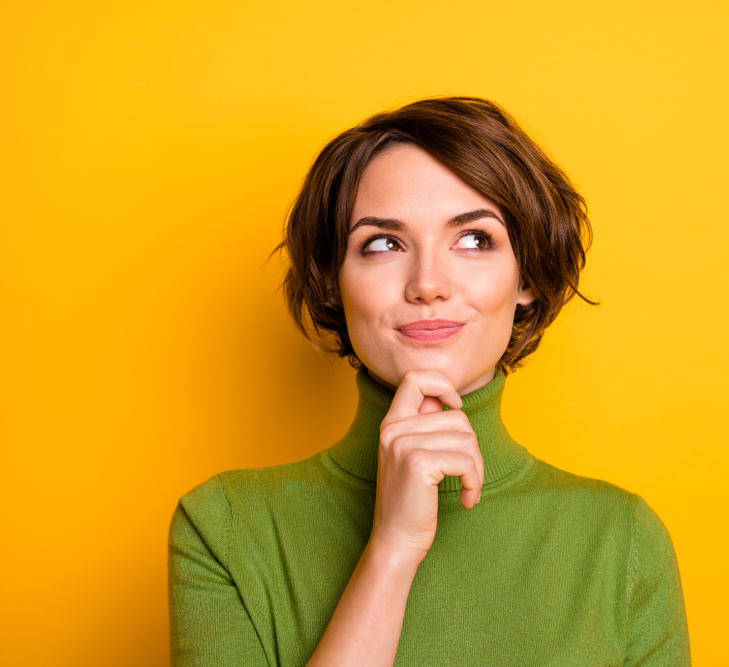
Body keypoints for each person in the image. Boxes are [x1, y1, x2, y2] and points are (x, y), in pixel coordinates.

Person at [168, 96, 690, 666]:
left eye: (473, 239)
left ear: (527, 277)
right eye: (384, 244)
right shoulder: (226, 528)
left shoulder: (620, 540)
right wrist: (392, 550)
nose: (427, 283)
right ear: (334, 283)